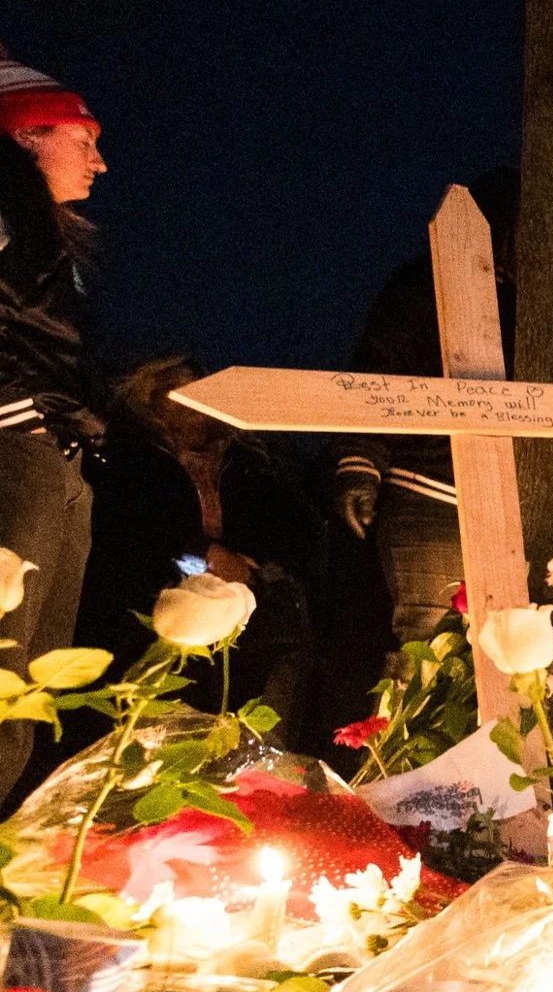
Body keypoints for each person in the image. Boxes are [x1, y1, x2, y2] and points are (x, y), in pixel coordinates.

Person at [79, 356, 321, 730]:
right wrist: (203, 558)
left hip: (247, 605)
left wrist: (254, 567)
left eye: (199, 393)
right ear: (152, 402)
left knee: (287, 623)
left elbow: (297, 528)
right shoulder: (130, 457)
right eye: (179, 394)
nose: (193, 405)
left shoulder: (248, 457)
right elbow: (133, 532)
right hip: (163, 608)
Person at [330, 167, 518, 643]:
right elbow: (380, 375)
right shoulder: (420, 287)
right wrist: (361, 461)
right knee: (428, 653)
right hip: (429, 495)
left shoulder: (533, 305)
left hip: (511, 503)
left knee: (511, 656)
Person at [0, 49, 108, 800]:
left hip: (51, 456)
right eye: (85, 139)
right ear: (29, 133)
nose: (100, 164)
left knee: (28, 695)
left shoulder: (40, 234)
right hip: (14, 447)